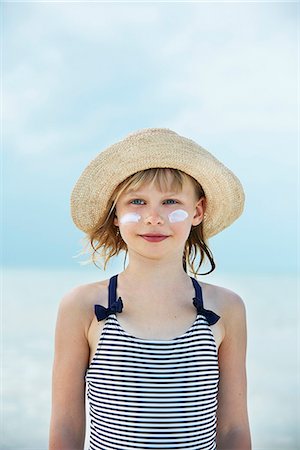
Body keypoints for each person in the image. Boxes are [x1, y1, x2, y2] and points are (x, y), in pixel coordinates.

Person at [49, 128, 252, 450]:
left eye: (171, 201)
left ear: (197, 211)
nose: (154, 218)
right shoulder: (83, 305)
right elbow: (66, 423)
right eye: (137, 202)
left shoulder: (225, 308)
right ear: (116, 214)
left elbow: (233, 428)